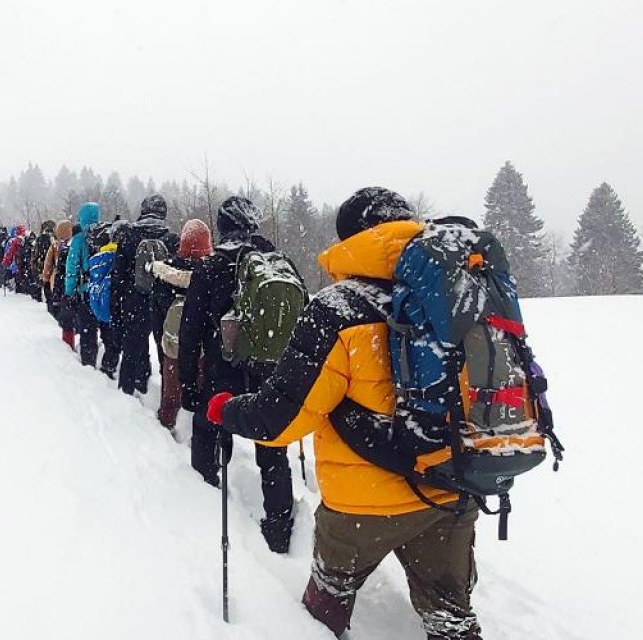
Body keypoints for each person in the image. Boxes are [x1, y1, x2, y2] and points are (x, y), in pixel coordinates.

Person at [204, 187, 482, 640]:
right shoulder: (458, 296)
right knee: (451, 617)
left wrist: (227, 411)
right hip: (449, 487)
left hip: (362, 506)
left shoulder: (336, 309)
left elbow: (281, 420)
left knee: (324, 609)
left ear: (349, 238)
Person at [177, 196, 294, 554]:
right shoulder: (278, 264)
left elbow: (190, 330)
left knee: (207, 428)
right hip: (269, 373)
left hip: (221, 374)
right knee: (273, 449)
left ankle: (206, 493)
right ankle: (280, 528)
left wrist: (186, 381)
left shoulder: (211, 267)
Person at [110, 195, 179, 396]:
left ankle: (127, 393)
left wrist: (116, 311)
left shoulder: (128, 236)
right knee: (166, 356)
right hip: (163, 303)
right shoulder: (171, 238)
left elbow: (117, 277)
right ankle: (166, 404)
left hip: (133, 302)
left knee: (131, 353)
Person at [146, 218, 212, 430]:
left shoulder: (166, 272)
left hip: (173, 346)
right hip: (201, 348)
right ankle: (198, 434)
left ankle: (166, 427)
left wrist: (162, 347)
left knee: (170, 395)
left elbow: (157, 316)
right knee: (202, 394)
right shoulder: (210, 273)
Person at [65, 204, 120, 372]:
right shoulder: (108, 235)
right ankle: (108, 366)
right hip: (106, 290)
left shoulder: (79, 239)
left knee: (88, 332)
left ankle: (88, 367)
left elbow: (72, 269)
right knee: (108, 331)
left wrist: (69, 292)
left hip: (86, 292)